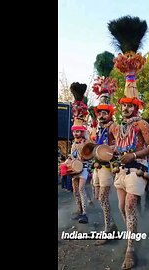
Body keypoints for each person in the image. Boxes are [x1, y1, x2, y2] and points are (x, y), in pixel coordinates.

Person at [107, 15, 149, 270]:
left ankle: (130, 250)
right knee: (124, 209)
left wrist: (134, 156)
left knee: (130, 205)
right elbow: (114, 145)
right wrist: (112, 152)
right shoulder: (115, 125)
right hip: (119, 171)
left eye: (129, 106)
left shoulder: (142, 124)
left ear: (135, 105)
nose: (125, 109)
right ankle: (132, 235)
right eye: (122, 106)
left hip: (136, 168)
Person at [89, 65, 119, 245]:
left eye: (104, 112)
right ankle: (111, 227)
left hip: (107, 166)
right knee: (99, 197)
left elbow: (119, 144)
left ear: (109, 113)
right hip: (96, 166)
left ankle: (110, 229)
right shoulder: (96, 128)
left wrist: (110, 150)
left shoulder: (113, 127)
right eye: (99, 112)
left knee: (103, 198)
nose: (101, 115)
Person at [67, 82, 90, 224]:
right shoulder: (74, 143)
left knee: (81, 189)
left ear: (81, 131)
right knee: (75, 191)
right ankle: (79, 210)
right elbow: (71, 155)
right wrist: (68, 160)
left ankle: (85, 214)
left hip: (84, 168)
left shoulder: (86, 142)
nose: (76, 133)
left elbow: (90, 155)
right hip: (74, 168)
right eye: (74, 131)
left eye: (78, 131)